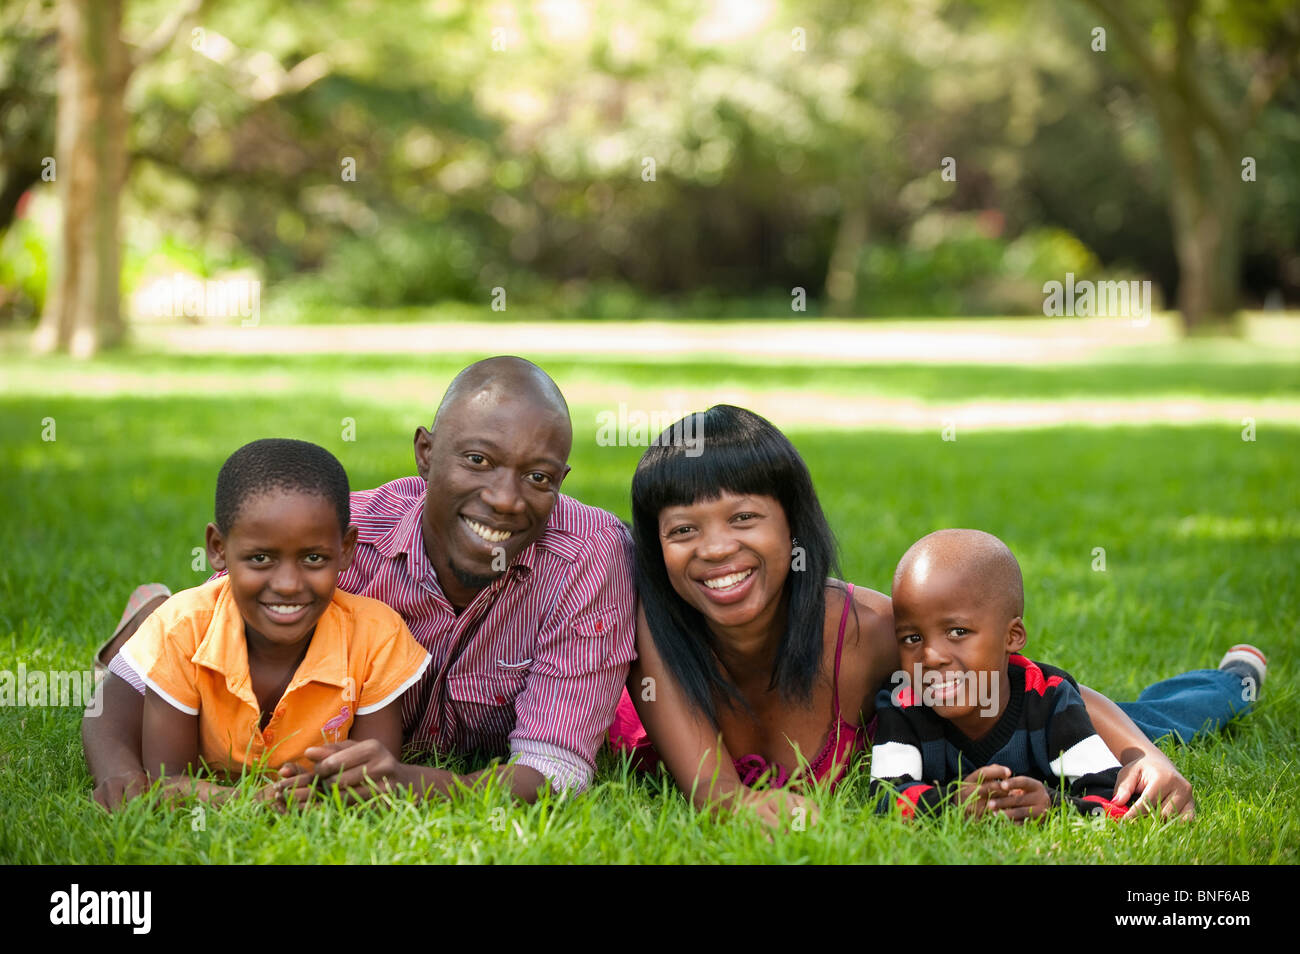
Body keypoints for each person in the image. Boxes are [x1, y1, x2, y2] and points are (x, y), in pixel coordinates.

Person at [611, 405, 1247, 826]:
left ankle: (1231, 680)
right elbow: (723, 802)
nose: (718, 548)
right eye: (684, 530)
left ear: (792, 524)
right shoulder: (654, 636)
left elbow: (1036, 685)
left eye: (744, 517)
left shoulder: (862, 630)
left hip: (995, 715)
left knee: (1146, 720)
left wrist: (1143, 754)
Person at [84, 357, 636, 809]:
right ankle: (142, 615)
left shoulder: (588, 557)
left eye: (537, 477)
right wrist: (119, 771)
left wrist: (412, 783)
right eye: (477, 460)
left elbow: (557, 773)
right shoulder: (336, 548)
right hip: (177, 630)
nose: (505, 498)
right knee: (167, 624)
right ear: (425, 453)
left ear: (560, 481)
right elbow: (171, 659)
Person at [124, 439, 430, 802]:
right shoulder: (181, 628)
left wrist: (318, 788)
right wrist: (245, 802)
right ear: (218, 549)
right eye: (260, 558)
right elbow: (165, 781)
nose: (288, 585)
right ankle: (139, 616)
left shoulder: (377, 637)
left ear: (345, 549)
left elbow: (369, 780)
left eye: (314, 558)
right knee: (144, 643)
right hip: (170, 626)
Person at [869, 529, 1130, 821]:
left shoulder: (1049, 698)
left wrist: (1055, 806)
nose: (931, 656)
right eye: (912, 638)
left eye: (958, 632)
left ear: (1012, 636)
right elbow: (884, 799)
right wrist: (952, 804)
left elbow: (1112, 796)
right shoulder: (903, 701)